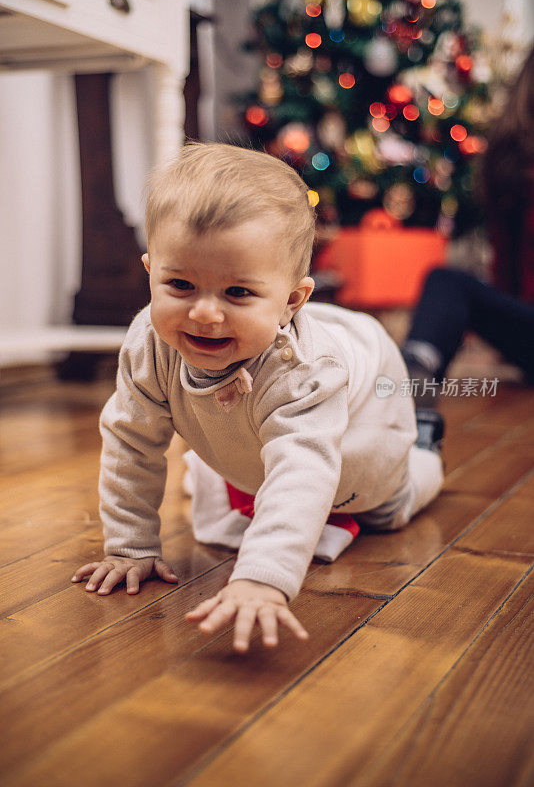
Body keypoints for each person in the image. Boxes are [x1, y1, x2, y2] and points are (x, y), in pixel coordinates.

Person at [71, 142, 444, 652]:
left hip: (368, 399)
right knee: (235, 476)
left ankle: (423, 447)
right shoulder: (149, 343)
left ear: (293, 300)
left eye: (238, 293)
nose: (203, 313)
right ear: (150, 270)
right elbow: (130, 442)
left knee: (380, 503)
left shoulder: (306, 373)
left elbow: (302, 470)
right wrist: (131, 545)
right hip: (255, 400)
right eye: (179, 284)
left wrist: (262, 577)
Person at [403, 46, 534, 406]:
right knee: (445, 281)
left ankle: (414, 374)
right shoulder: (512, 162)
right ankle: (414, 377)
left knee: (447, 282)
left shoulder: (512, 161)